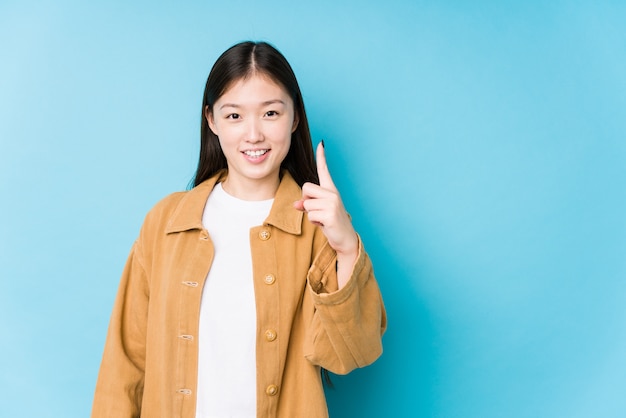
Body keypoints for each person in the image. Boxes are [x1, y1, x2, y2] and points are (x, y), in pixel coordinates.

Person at [92, 40, 386, 418]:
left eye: (270, 113)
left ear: (294, 118)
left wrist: (346, 246)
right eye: (234, 116)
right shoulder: (165, 223)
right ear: (211, 120)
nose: (253, 135)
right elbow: (125, 366)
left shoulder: (317, 230)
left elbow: (352, 353)